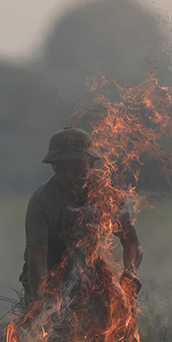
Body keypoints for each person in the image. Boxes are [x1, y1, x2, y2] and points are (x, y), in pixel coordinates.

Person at [19, 127, 143, 301]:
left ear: (91, 163)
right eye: (63, 169)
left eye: (77, 167)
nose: (71, 176)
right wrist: (39, 303)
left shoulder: (108, 194)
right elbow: (37, 255)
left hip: (91, 276)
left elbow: (131, 240)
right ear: (53, 167)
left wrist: (130, 272)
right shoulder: (41, 202)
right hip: (49, 278)